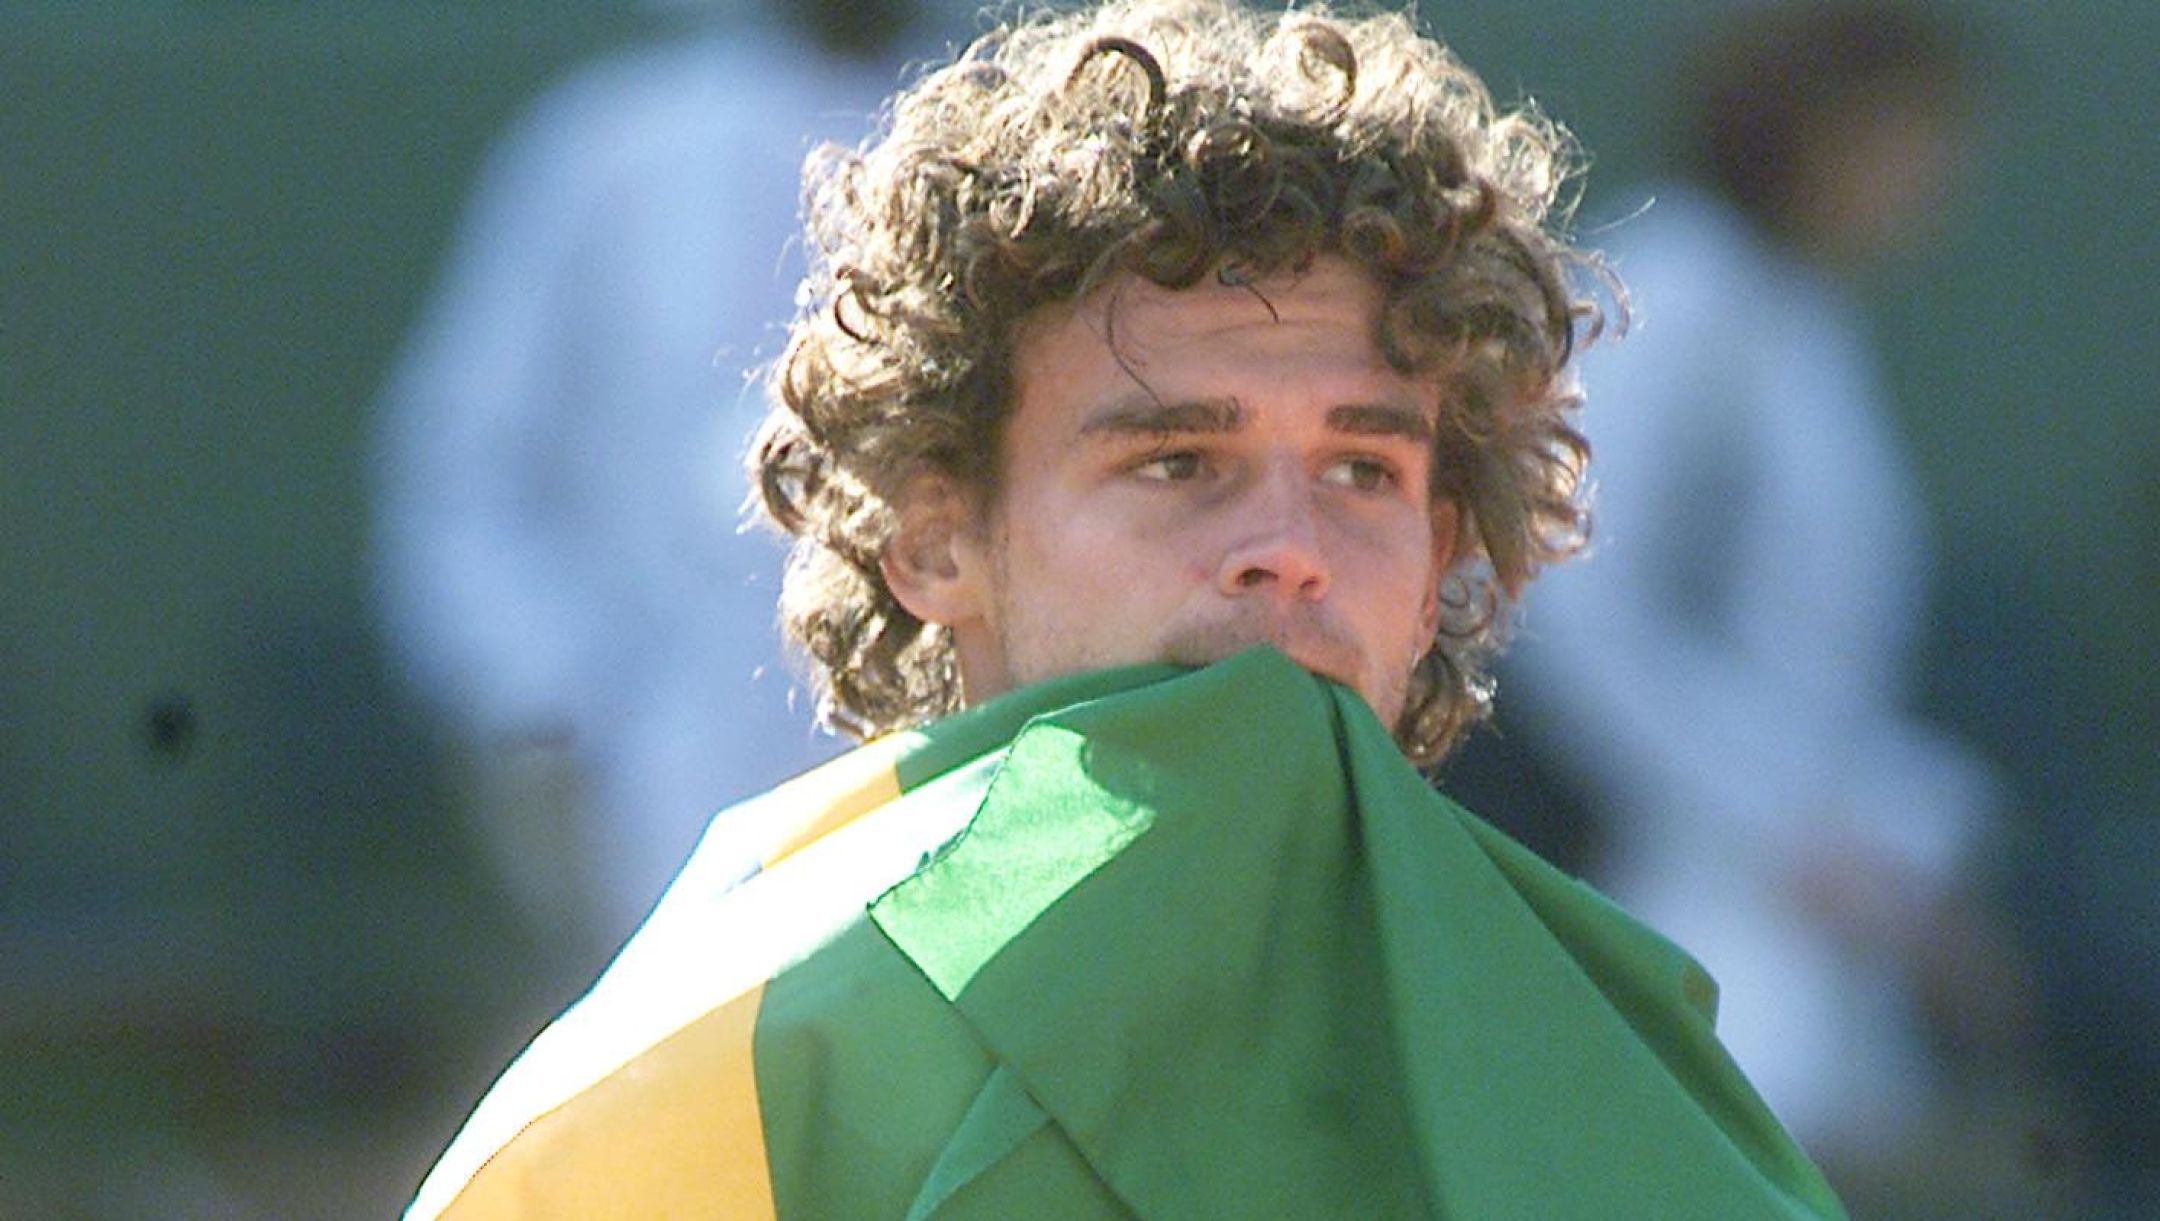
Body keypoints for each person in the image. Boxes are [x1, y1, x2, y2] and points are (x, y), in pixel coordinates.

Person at [404, 3, 1848, 1217]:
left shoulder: (1625, 1081)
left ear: (1447, 549)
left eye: (1362, 464)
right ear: (932, 533)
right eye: (1178, 461)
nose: (1287, 550)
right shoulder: (713, 1081)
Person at [1476, 0, 2014, 1184]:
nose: (1933, 179)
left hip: (1791, 891)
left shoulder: (1802, 319)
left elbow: (1805, 663)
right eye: (1910, 137)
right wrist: (1779, 831)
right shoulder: (1678, 293)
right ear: (1819, 130)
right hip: (1653, 876)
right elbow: (1570, 604)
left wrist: (1870, 844)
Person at [370, 0, 930, 959]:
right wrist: (545, 701)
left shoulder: (1007, 121)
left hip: (929, 774)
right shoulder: (611, 148)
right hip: (653, 769)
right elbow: (463, 465)